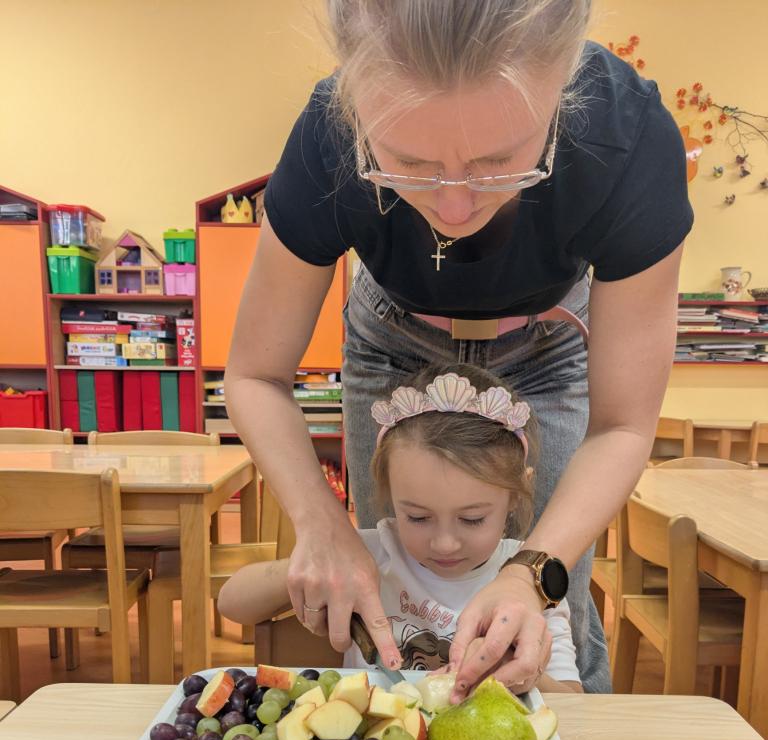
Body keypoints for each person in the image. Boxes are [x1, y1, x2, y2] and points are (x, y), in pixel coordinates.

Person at [225, 0, 692, 698]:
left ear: (565, 89)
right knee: (391, 585)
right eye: (407, 164)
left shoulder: (627, 137)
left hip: (551, 338)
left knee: (546, 606)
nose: (452, 210)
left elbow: (622, 426)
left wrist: (530, 575)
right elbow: (256, 375)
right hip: (390, 333)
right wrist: (321, 526)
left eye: (499, 161)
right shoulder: (326, 135)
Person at [218, 365, 583, 696]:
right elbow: (231, 602)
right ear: (390, 493)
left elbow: (572, 698)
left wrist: (524, 674)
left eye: (472, 519)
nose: (444, 543)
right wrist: (313, 569)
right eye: (418, 517)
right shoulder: (369, 555)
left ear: (516, 496)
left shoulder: (530, 579)